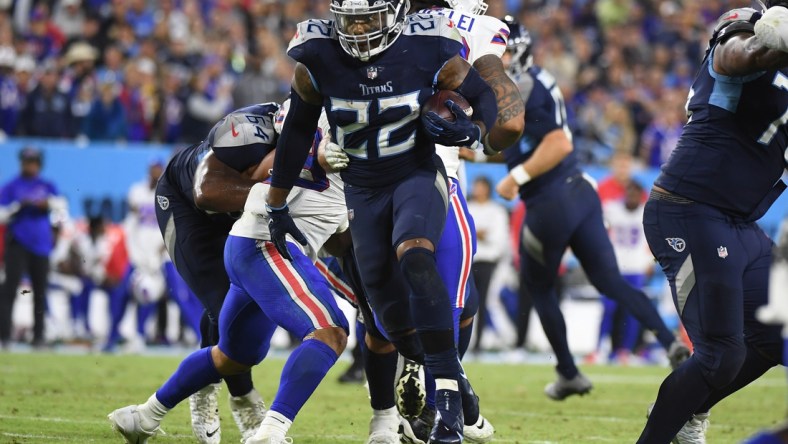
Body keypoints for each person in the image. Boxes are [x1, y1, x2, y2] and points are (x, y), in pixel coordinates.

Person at [265, 1, 499, 441]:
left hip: (414, 173)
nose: (358, 27)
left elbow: (483, 94)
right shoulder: (316, 58)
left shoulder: (426, 44)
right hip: (362, 191)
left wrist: (476, 131)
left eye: (368, 16)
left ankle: (446, 407)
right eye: (350, 17)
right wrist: (276, 203)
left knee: (415, 254)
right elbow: (296, 130)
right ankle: (458, 384)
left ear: (392, 13)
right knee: (390, 322)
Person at [108, 104, 350, 444]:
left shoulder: (338, 157)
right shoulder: (251, 135)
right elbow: (208, 192)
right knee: (323, 329)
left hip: (252, 233)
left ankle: (146, 415)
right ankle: (251, 414)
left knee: (238, 353)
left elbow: (339, 239)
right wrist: (300, 168)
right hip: (205, 214)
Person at [493, 15, 689, 401]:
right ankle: (670, 344)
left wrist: (516, 176)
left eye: (505, 51)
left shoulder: (524, 84)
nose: (499, 59)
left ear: (521, 50)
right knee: (610, 282)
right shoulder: (536, 80)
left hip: (550, 199)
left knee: (540, 287)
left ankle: (568, 372)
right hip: (580, 191)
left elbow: (559, 144)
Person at [638, 3, 788, 443]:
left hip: (741, 224)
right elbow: (736, 53)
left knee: (775, 335)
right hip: (691, 210)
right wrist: (769, 38)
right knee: (721, 353)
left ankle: (688, 407)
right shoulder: (739, 56)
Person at [129, 103, 281, 443]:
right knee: (223, 303)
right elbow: (206, 192)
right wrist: (270, 194)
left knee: (249, 304)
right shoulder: (246, 134)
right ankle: (222, 395)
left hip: (237, 214)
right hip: (188, 206)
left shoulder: (321, 143)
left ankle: (214, 384)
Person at [0, 147, 60, 349]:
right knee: (9, 290)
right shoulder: (12, 186)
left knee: (40, 292)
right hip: (18, 242)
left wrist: (48, 204)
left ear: (39, 164)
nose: (30, 165)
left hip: (41, 244)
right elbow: (2, 215)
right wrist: (19, 205)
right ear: (22, 163)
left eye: (34, 162)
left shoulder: (47, 185)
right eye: (27, 162)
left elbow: (62, 208)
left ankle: (38, 337)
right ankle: (5, 338)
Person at [466, 175, 510, 353]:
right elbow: (466, 234)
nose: (479, 191)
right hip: (470, 260)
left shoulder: (496, 210)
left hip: (488, 262)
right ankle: (468, 339)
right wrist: (479, 234)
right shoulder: (468, 207)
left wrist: (478, 234)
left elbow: (499, 239)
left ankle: (481, 341)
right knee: (466, 301)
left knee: (485, 301)